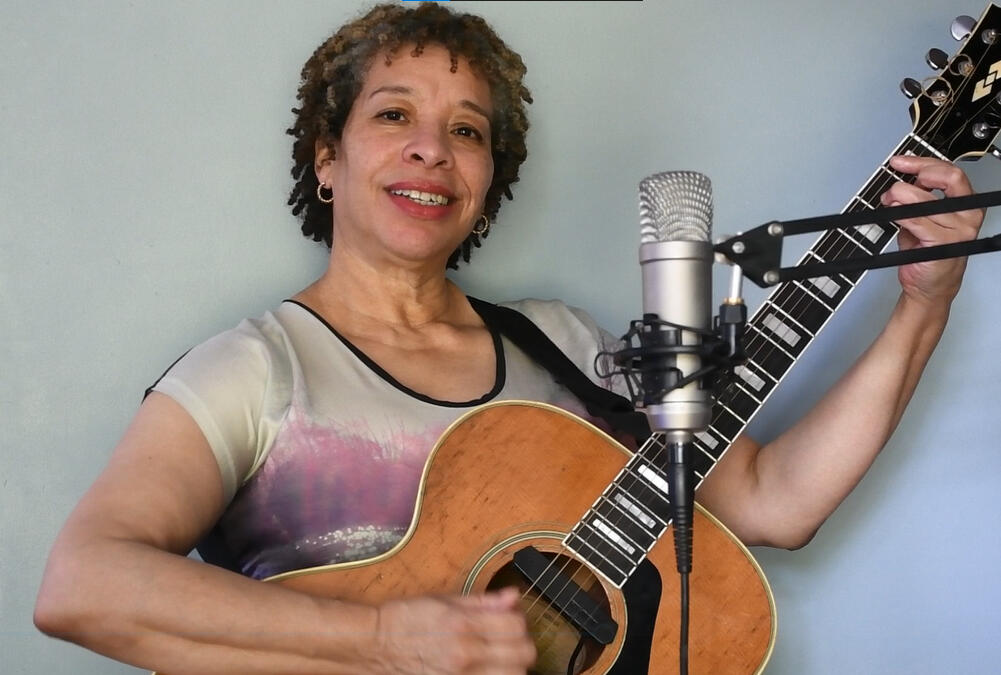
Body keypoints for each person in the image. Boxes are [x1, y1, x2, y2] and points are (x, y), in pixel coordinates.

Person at [33, 3, 983, 674]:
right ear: (327, 157)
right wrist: (383, 641)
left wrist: (922, 304)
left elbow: (771, 502)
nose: (431, 149)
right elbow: (83, 584)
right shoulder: (258, 367)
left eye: (467, 131)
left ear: (487, 182)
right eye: (393, 115)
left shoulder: (564, 344)